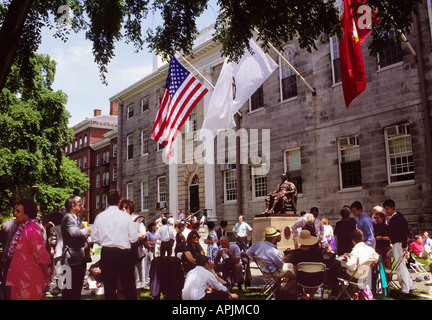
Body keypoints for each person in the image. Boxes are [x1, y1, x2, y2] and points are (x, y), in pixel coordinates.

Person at [91, 190, 139, 300]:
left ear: (107, 201)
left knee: (109, 288)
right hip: (123, 254)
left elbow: (94, 237)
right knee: (129, 287)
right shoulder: (125, 217)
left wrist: (105, 239)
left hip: (107, 253)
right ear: (119, 201)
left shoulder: (100, 217)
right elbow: (134, 238)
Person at [6, 199, 52, 300]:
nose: (15, 213)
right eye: (15, 210)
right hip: (20, 278)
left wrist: (46, 271)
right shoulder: (24, 228)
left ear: (28, 214)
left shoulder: (31, 230)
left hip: (29, 280)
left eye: (18, 211)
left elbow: (40, 254)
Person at [61, 196, 92, 300]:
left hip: (78, 261)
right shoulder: (68, 218)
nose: (82, 206)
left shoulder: (77, 219)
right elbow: (76, 234)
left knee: (76, 292)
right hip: (69, 262)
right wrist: (88, 229)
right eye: (80, 204)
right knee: (68, 292)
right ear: (73, 206)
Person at [246, 226, 295, 291]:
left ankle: (278, 287)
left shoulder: (258, 244)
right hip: (273, 273)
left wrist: (255, 258)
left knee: (290, 268)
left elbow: (247, 253)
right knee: (295, 273)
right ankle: (285, 290)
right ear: (275, 238)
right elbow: (281, 266)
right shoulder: (274, 251)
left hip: (264, 271)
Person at [383, 199, 415, 294]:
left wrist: (404, 246)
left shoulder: (397, 218)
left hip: (399, 244)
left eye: (388, 209)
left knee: (400, 266)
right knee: (401, 265)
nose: (386, 211)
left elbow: (404, 232)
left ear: (393, 208)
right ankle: (410, 284)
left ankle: (405, 287)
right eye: (385, 209)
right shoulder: (396, 217)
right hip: (397, 243)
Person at [120, 199, 147, 300]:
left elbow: (143, 234)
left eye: (126, 207)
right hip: (121, 255)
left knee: (136, 283)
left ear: (130, 209)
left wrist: (130, 236)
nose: (123, 209)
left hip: (134, 254)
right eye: (121, 207)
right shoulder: (117, 221)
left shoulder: (137, 220)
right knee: (122, 285)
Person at [289, 230, 323, 299]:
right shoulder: (318, 253)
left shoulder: (295, 253)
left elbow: (295, 270)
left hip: (301, 280)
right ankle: (311, 296)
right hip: (317, 280)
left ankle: (304, 294)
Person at [0, 207, 19, 300]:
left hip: (6, 257)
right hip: (18, 258)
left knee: (6, 282)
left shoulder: (4, 225)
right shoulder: (23, 225)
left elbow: (2, 241)